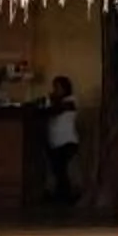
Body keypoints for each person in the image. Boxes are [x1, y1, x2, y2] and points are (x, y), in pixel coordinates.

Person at [43, 75, 80, 208]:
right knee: (57, 171)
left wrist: (52, 100)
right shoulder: (54, 101)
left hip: (67, 141)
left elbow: (55, 111)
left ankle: (66, 197)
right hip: (54, 141)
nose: (55, 90)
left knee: (63, 171)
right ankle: (61, 195)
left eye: (58, 88)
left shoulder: (70, 101)